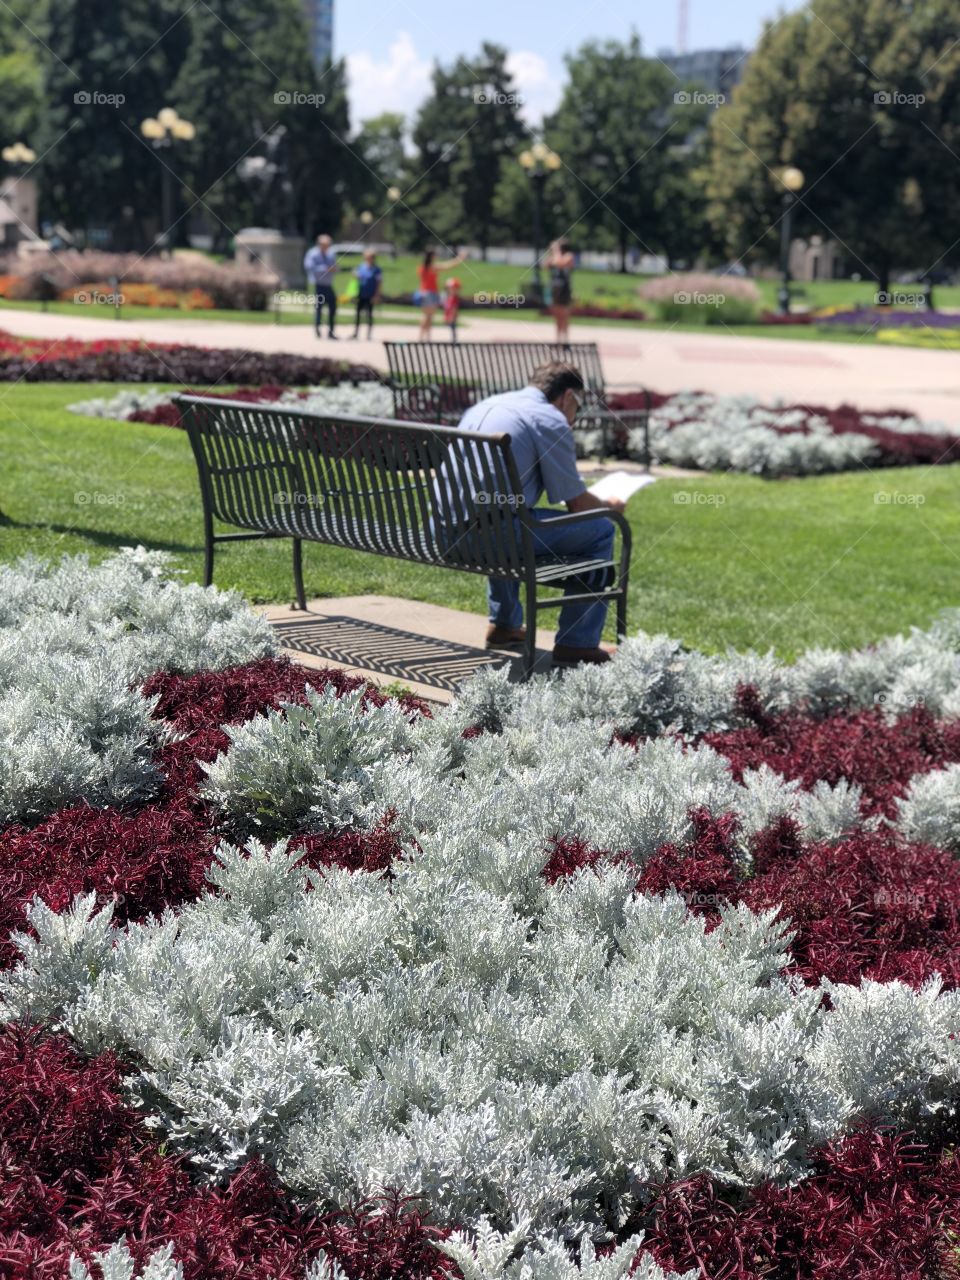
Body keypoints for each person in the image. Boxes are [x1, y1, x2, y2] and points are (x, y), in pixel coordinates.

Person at [438, 361, 626, 668]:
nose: (575, 417)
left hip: (444, 533)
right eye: (578, 407)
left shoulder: (487, 405)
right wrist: (610, 506)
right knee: (602, 529)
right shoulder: (548, 418)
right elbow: (578, 506)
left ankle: (505, 625)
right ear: (568, 397)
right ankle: (577, 644)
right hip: (488, 538)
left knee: (505, 516)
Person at [417, 247, 464, 339]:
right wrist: (460, 258)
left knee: (427, 316)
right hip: (430, 293)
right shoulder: (433, 267)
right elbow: (449, 265)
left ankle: (425, 337)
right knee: (428, 316)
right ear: (432, 256)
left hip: (423, 293)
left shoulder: (421, 267)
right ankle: (423, 337)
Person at [303, 233, 338, 339]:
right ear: (319, 244)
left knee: (333, 307)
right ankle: (317, 329)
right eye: (325, 245)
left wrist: (334, 269)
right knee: (319, 308)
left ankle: (331, 332)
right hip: (318, 285)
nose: (327, 247)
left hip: (328, 284)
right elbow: (309, 267)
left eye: (328, 245)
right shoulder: (312, 253)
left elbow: (336, 267)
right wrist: (325, 268)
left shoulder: (331, 254)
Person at [546, 238, 575, 344]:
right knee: (557, 316)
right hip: (555, 289)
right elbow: (545, 265)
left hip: (564, 289)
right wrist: (552, 253)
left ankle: (565, 340)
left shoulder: (569, 256)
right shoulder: (555, 256)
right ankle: (558, 340)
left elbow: (560, 263)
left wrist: (555, 251)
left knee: (564, 315)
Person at [352, 249, 383, 340]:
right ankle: (356, 333)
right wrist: (355, 275)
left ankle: (368, 334)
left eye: (371, 257)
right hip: (360, 293)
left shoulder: (377, 269)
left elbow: (379, 282)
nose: (369, 259)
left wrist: (377, 294)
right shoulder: (361, 266)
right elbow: (355, 275)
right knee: (358, 314)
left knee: (369, 314)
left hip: (370, 294)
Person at [443, 276, 462, 342]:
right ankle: (453, 340)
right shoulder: (448, 297)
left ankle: (453, 340)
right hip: (448, 315)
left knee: (452, 328)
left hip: (452, 316)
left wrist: (452, 316)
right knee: (451, 328)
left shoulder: (454, 298)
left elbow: (454, 308)